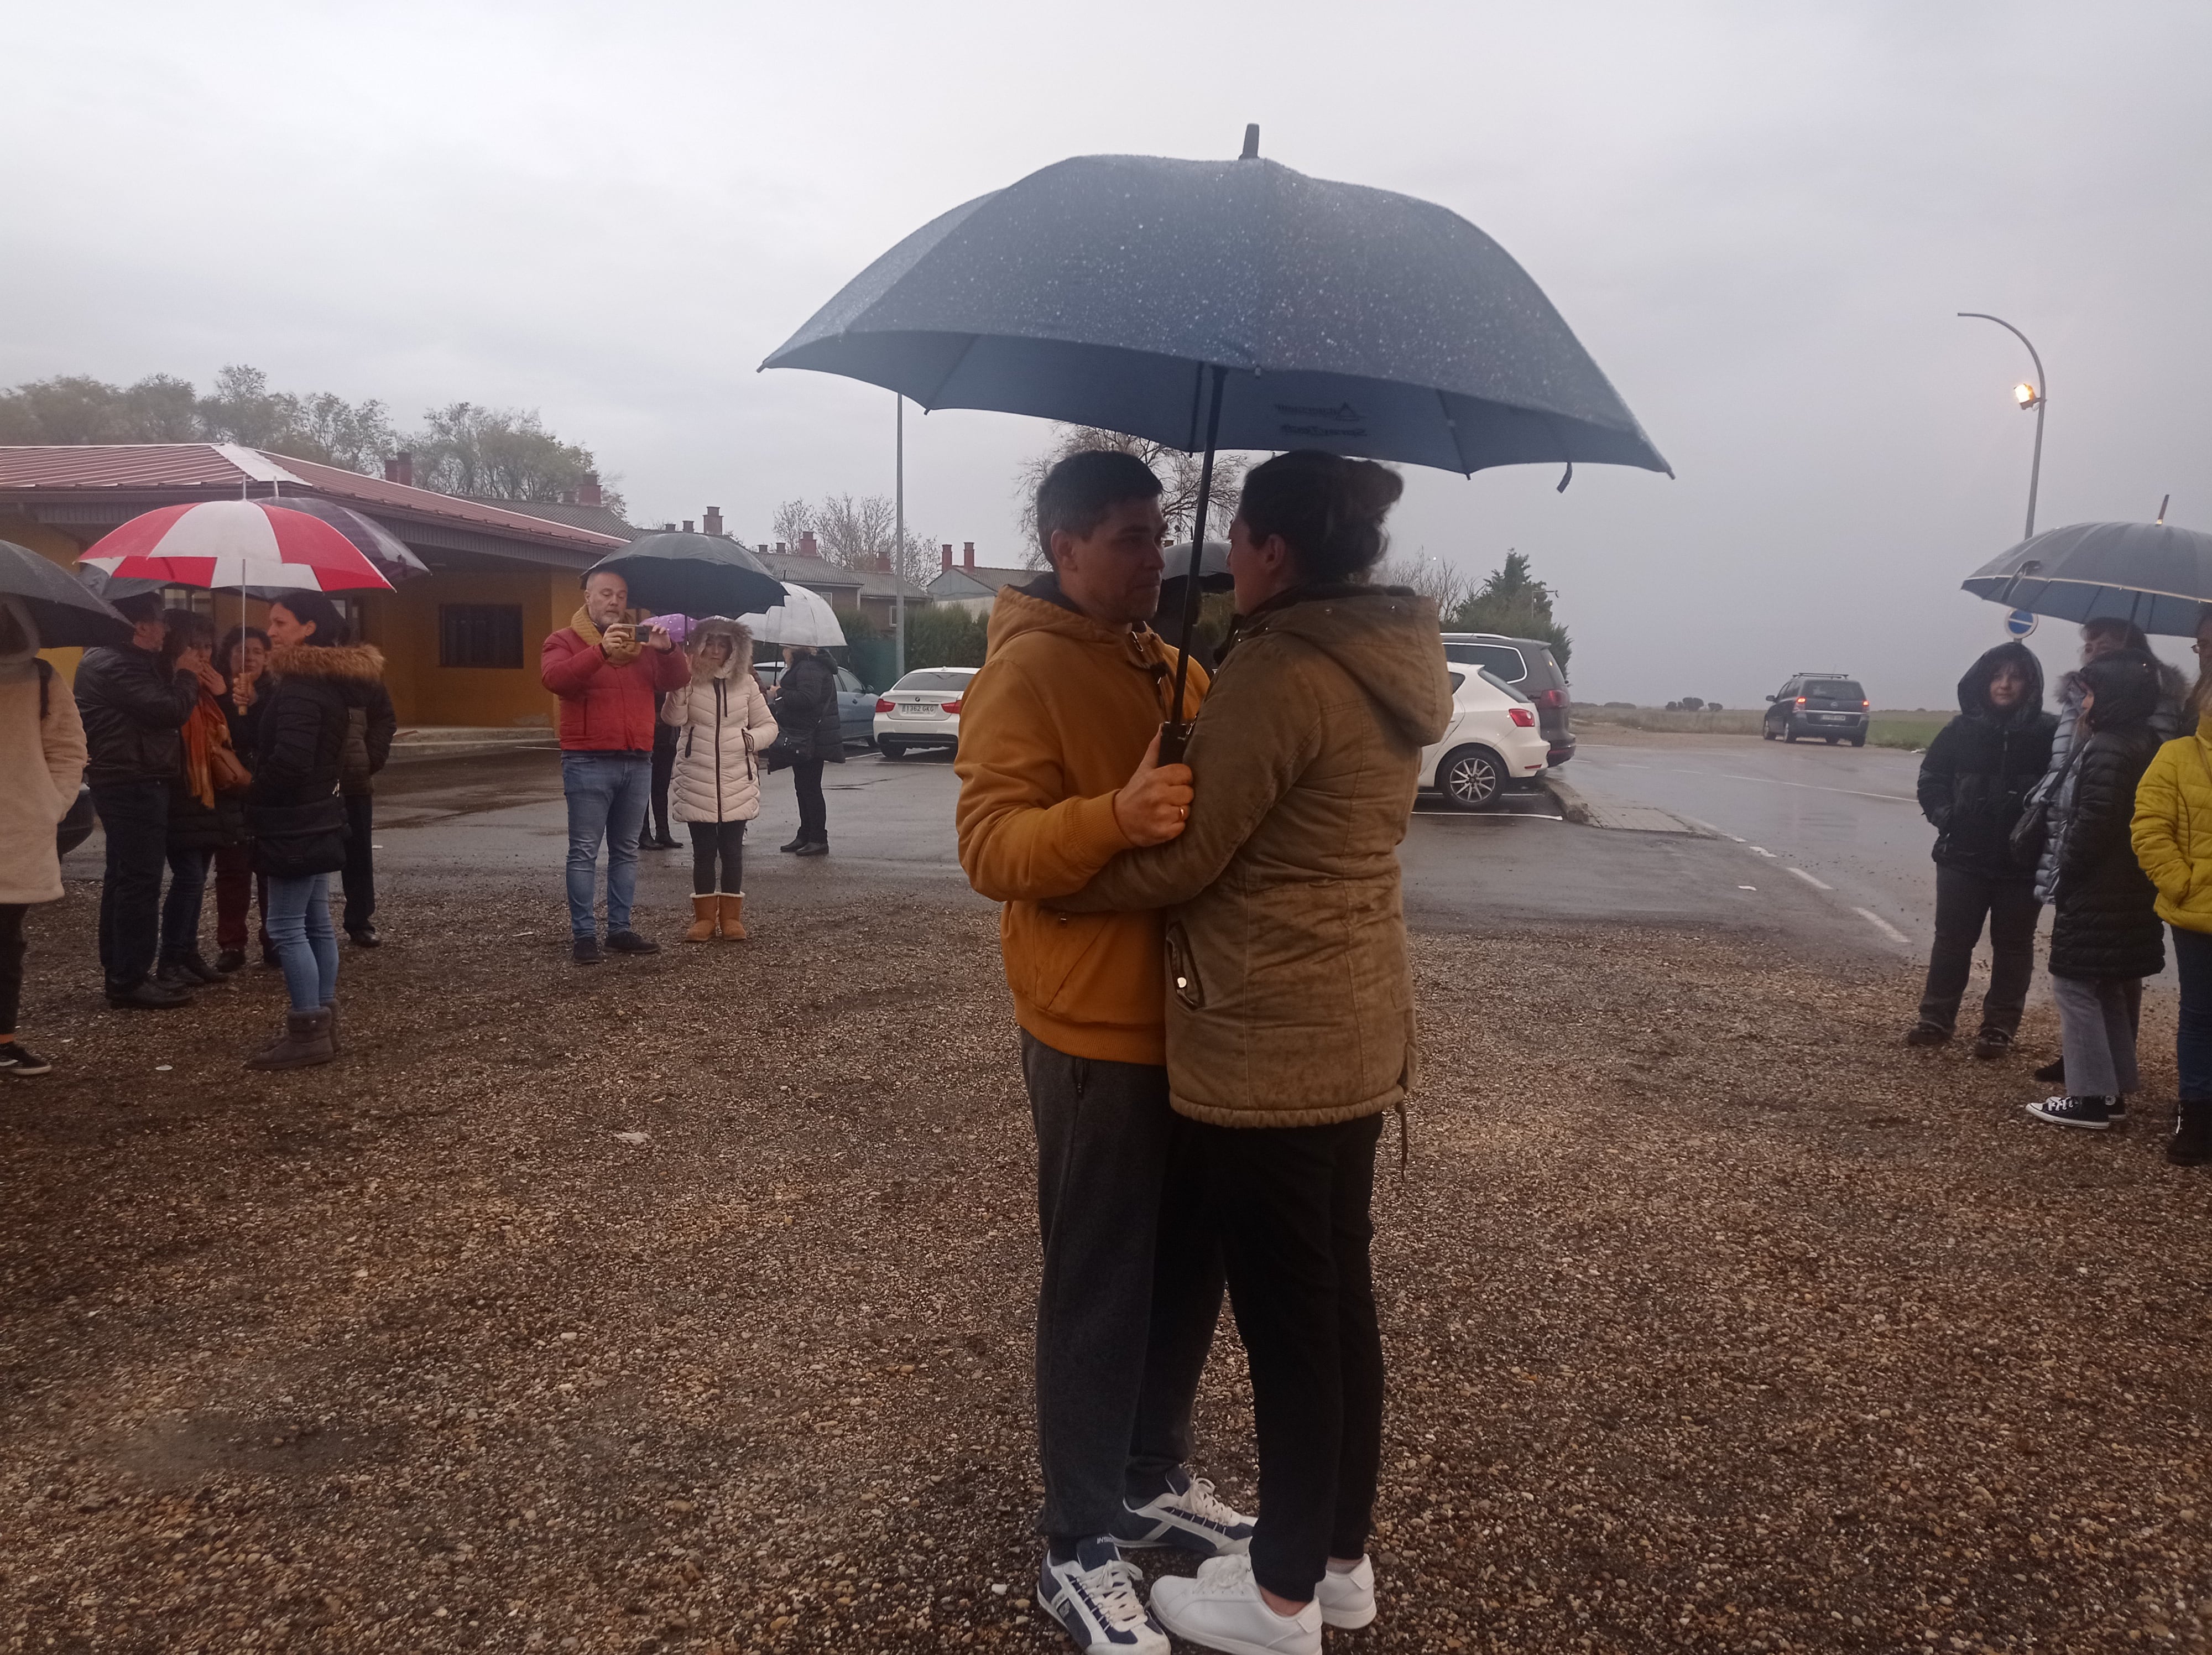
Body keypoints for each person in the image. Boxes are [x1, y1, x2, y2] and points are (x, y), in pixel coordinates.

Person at [1049, 451, 1454, 1655]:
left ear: (1274, 551)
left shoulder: (1282, 669)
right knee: (1335, 1297)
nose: (1223, 551)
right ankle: (1335, 1562)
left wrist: (1067, 873)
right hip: (1352, 1017)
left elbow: (1187, 855)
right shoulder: (1386, 657)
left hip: (1265, 1033)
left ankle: (1277, 1596)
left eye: (1235, 533)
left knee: (1290, 1320)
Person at [956, 450, 1252, 1655]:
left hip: (1188, 1021)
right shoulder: (1022, 670)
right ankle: (1076, 1537)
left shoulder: (1170, 664)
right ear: (1063, 542)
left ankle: (1143, 1473)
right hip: (1089, 1032)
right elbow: (990, 847)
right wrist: (1112, 817)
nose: (1150, 554)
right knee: (1097, 1284)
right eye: (1126, 535)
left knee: (1187, 1264)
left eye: (1155, 529)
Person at [2028, 619, 2187, 1088]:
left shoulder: (2126, 728)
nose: (2093, 651)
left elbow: (2101, 810)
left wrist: (2068, 865)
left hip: (2100, 858)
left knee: (2092, 974)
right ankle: (2105, 1075)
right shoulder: (2087, 705)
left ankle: (2093, 1092)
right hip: (2086, 843)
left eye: (2106, 644)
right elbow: (2064, 766)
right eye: (2089, 644)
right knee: (2102, 972)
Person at [245, 593, 385, 1069]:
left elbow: (290, 761)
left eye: (280, 622)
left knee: (286, 926)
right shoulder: (324, 683)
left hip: (294, 821)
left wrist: (252, 789)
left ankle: (307, 1029)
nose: (271, 631)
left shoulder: (301, 688)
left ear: (309, 628)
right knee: (316, 923)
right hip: (321, 814)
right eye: (271, 622)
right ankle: (323, 1017)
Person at [1903, 642, 2056, 1057]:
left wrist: (2037, 828)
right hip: (1962, 858)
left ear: (2030, 683)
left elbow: (2061, 791)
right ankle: (1935, 1019)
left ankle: (1999, 1028)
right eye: (1997, 676)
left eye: (2015, 676)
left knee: (2014, 945)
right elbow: (1930, 779)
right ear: (1984, 680)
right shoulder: (1959, 730)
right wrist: (1948, 817)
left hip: (2022, 862)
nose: (2005, 684)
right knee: (1952, 941)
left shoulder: (2049, 733)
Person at [539, 569, 690, 965]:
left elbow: (679, 679)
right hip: (587, 759)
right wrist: (601, 651)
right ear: (587, 597)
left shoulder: (641, 645)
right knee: (584, 851)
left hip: (637, 759)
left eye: (621, 596)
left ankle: (619, 930)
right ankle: (584, 935)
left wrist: (667, 649)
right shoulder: (564, 640)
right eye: (605, 594)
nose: (614, 602)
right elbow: (556, 680)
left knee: (625, 851)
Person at [73, 590, 200, 1009]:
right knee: (140, 881)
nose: (165, 629)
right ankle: (129, 979)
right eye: (160, 621)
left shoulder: (114, 659)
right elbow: (167, 710)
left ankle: (121, 969)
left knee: (124, 877)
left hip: (129, 775)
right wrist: (185, 675)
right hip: (133, 778)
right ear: (140, 626)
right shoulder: (114, 663)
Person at [2127, 607, 2212, 1165]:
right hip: (2197, 914)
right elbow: (2149, 826)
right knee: (2200, 1015)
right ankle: (2196, 1115)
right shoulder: (2177, 756)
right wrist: (2180, 885)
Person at [0, 595, 88, 1077]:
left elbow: (68, 748)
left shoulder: (41, 679)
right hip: (22, 828)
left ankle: (3, 1038)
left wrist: (49, 805)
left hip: (18, 830)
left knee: (7, 941)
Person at [664, 617, 778, 941]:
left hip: (736, 777)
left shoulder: (747, 684)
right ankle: (703, 919)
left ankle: (731, 919)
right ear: (699, 645)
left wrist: (749, 741)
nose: (715, 650)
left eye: (723, 644)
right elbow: (673, 719)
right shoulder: (686, 679)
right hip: (696, 775)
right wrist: (679, 687)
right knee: (702, 851)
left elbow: (769, 726)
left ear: (734, 649)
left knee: (731, 851)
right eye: (709, 643)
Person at [153, 609, 246, 991]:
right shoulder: (170, 682)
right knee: (189, 877)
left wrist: (225, 696)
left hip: (211, 797)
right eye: (194, 646)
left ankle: (188, 952)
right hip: (181, 792)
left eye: (208, 646)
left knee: (197, 876)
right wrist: (188, 681)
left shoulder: (210, 691)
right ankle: (171, 958)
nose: (203, 655)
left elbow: (234, 738)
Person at [213, 625, 273, 972]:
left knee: (269, 868)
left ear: (267, 658)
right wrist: (226, 700)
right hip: (229, 788)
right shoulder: (217, 690)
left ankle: (274, 938)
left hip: (266, 788)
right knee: (232, 870)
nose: (247, 656)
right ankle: (232, 943)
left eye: (254, 651)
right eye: (239, 651)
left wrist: (255, 703)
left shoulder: (277, 692)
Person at [339, 660, 398, 948]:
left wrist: (369, 759)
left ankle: (360, 919)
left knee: (358, 852)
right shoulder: (293, 672)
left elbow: (385, 718)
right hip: (308, 781)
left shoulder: (361, 675)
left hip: (354, 779)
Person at [773, 644, 844, 857]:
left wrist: (781, 692)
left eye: (785, 647)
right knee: (803, 787)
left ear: (793, 649)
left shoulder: (809, 668)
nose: (783, 651)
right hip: (807, 735)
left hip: (811, 737)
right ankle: (805, 834)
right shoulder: (809, 666)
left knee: (810, 788)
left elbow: (807, 698)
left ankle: (818, 838)